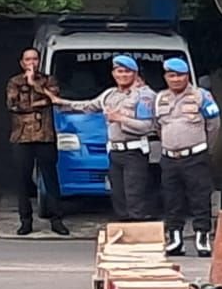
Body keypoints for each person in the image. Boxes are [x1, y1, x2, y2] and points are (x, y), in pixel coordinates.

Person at [46, 55, 158, 221]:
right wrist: (60, 101)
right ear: (113, 73)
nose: (123, 75)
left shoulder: (144, 95)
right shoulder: (110, 95)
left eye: (127, 72)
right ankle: (124, 232)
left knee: (135, 196)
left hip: (134, 152)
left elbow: (148, 126)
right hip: (114, 152)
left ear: (135, 73)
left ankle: (139, 234)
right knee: (118, 196)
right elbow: (88, 106)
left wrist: (121, 119)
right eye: (119, 71)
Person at [155, 58, 221, 257]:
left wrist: (203, 148)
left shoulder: (202, 96)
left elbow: (214, 125)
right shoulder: (160, 98)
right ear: (166, 77)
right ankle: (175, 238)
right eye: (171, 75)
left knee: (200, 197)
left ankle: (202, 237)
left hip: (195, 155)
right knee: (171, 198)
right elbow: (158, 127)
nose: (175, 79)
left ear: (187, 76)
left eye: (180, 75)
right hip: (169, 157)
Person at [6, 48, 68, 235]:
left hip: (45, 136)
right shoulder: (14, 82)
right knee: (23, 180)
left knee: (50, 178)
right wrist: (39, 102)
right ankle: (25, 221)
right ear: (22, 62)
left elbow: (54, 99)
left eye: (34, 58)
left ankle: (56, 220)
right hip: (22, 137)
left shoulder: (49, 80)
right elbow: (13, 105)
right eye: (28, 59)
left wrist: (34, 84)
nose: (31, 62)